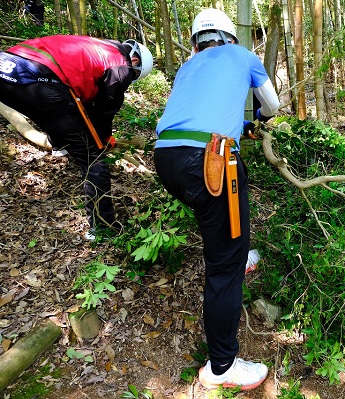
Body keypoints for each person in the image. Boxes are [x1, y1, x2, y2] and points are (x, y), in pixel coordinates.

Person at [153, 8, 279, 391]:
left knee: (219, 223)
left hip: (167, 157)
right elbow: (272, 105)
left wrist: (236, 126)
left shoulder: (187, 69)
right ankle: (222, 366)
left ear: (195, 43)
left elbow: (199, 112)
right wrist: (256, 120)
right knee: (223, 269)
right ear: (231, 38)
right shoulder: (243, 56)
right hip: (211, 160)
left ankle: (234, 254)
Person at [0, 35, 153, 240]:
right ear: (135, 62)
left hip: (9, 65)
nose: (129, 78)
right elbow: (105, 107)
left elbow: (83, 96)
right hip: (39, 81)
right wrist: (104, 138)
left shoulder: (99, 47)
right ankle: (102, 227)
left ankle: (60, 143)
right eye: (134, 76)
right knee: (94, 160)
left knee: (63, 113)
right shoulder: (121, 65)